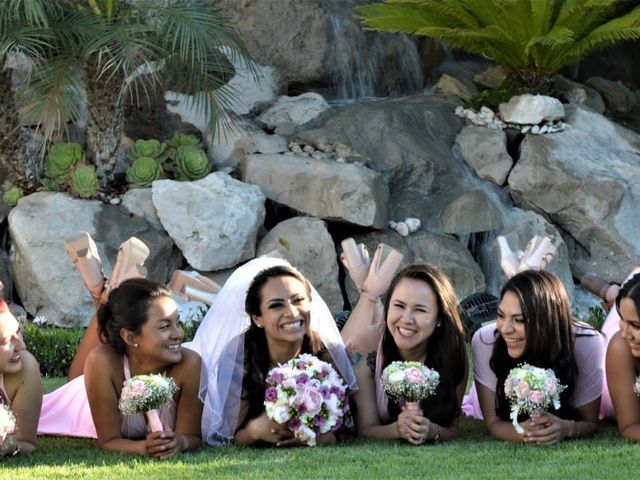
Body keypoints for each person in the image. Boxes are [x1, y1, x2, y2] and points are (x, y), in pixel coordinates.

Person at [191, 256, 356, 446]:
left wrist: (314, 437)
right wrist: (255, 430)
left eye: (298, 300)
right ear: (257, 318)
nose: (292, 312)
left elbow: (347, 429)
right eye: (276, 305)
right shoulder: (239, 357)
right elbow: (231, 437)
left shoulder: (326, 351)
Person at [38, 279, 202, 458]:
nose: (179, 334)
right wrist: (144, 448)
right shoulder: (103, 362)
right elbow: (109, 441)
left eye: (178, 323)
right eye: (164, 327)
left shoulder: (189, 364)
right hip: (77, 404)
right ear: (130, 337)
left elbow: (192, 436)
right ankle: (101, 290)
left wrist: (180, 442)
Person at [468, 270, 603, 444]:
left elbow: (589, 422)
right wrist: (524, 432)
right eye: (501, 315)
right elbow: (493, 424)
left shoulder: (586, 342)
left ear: (545, 320)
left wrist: (567, 428)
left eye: (519, 320)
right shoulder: (486, 341)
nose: (506, 329)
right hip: (495, 396)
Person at [346, 264, 467, 444]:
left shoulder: (452, 352)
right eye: (399, 306)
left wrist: (432, 430)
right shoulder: (364, 348)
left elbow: (452, 428)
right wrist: (397, 430)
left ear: (440, 318)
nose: (406, 319)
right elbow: (364, 429)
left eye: (420, 310)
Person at [0, 299, 43, 456]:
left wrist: (5, 446)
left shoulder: (25, 367)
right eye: (6, 341)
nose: (21, 346)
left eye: (17, 331)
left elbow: (26, 443)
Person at [605, 273, 640, 440]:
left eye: (635, 325)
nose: (626, 333)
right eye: (623, 321)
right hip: (609, 389)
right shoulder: (621, 345)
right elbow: (629, 426)